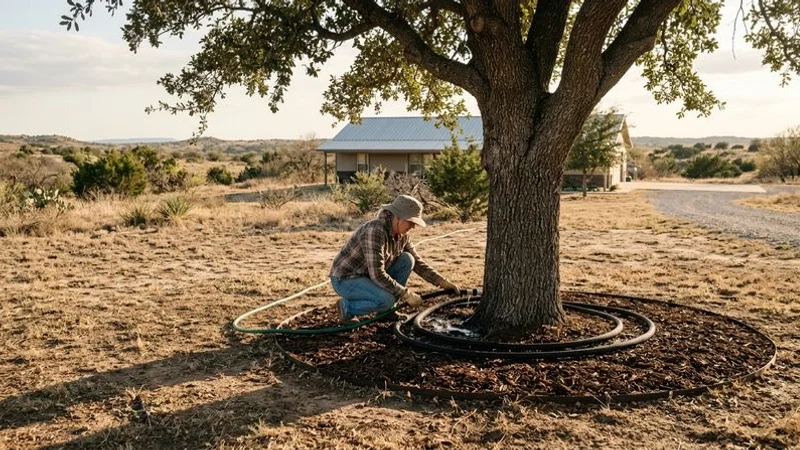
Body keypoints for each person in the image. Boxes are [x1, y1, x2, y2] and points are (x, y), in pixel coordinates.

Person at [329, 194, 461, 323]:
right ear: (397, 217)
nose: (413, 226)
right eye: (410, 222)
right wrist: (405, 294)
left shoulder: (402, 235)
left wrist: (443, 282)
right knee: (386, 300)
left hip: (368, 275)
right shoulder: (375, 231)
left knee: (407, 259)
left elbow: (418, 264)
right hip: (346, 278)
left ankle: (387, 312)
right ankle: (347, 308)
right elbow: (377, 274)